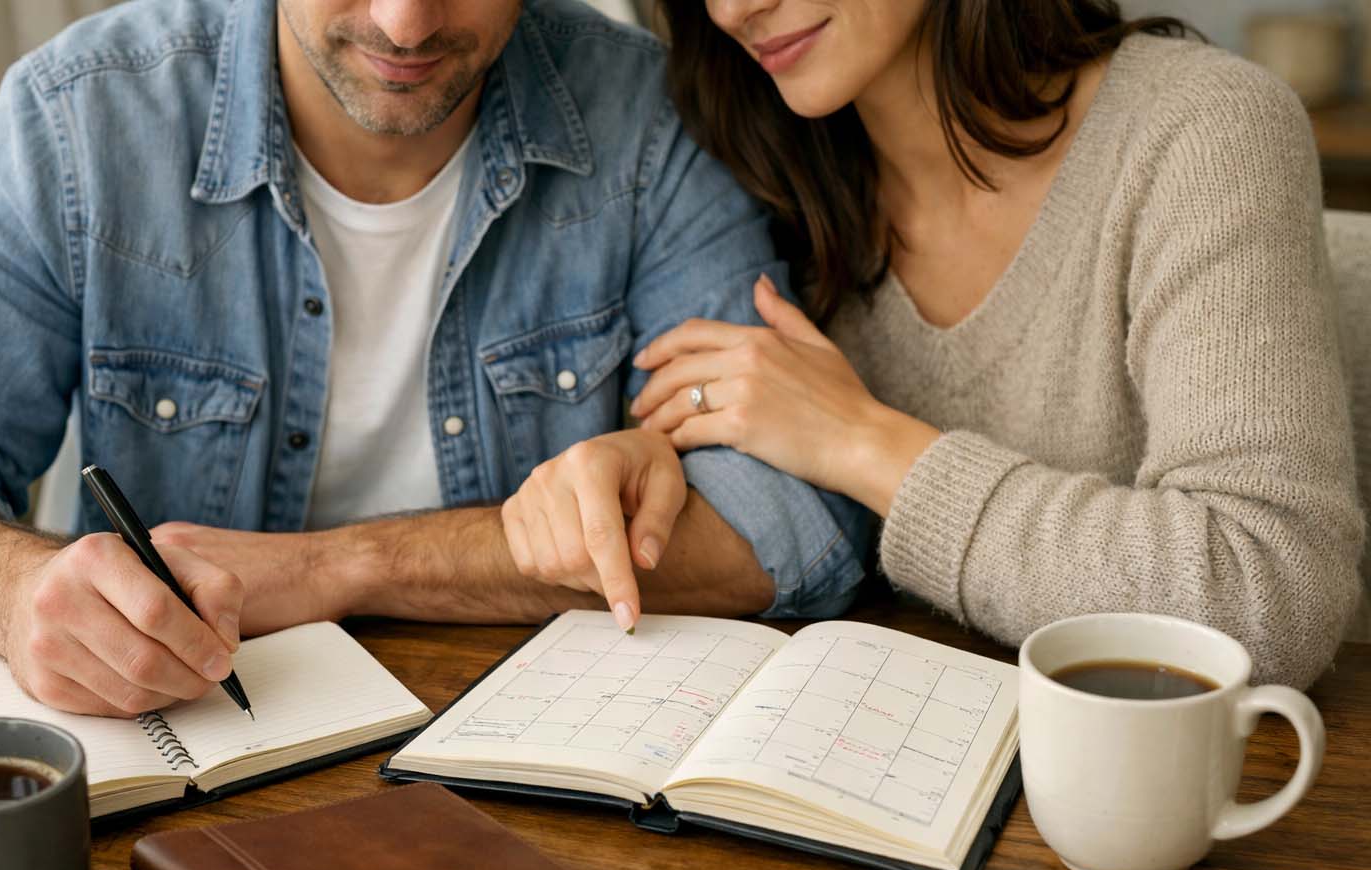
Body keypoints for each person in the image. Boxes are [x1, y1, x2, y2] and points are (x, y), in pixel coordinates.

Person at [0, 0, 872, 718]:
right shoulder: (78, 124)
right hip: (178, 765)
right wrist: (9, 591)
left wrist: (337, 568)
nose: (403, 25)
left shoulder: (651, 120)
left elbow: (779, 520)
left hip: (554, 766)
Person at [500, 0, 1364, 690]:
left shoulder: (1201, 131)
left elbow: (1270, 589)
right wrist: (648, 455)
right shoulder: (779, 188)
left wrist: (864, 443)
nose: (737, 9)